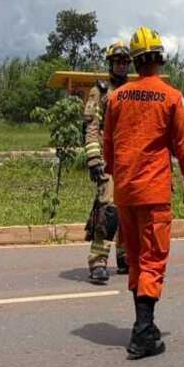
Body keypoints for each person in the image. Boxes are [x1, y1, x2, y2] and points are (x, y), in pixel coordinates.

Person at [103, 26, 184, 360]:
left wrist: (119, 178)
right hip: (154, 192)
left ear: (133, 61)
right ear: (160, 59)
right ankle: (143, 333)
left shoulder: (116, 97)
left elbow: (108, 146)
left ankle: (145, 325)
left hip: (125, 192)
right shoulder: (171, 97)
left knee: (134, 259)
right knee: (153, 260)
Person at [83, 41, 132, 285]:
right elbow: (92, 127)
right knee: (108, 209)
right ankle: (98, 261)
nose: (122, 65)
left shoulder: (134, 90)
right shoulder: (100, 91)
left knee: (128, 209)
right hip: (107, 159)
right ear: (110, 63)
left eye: (125, 62)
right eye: (118, 61)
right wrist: (94, 159)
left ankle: (125, 258)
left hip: (130, 161)